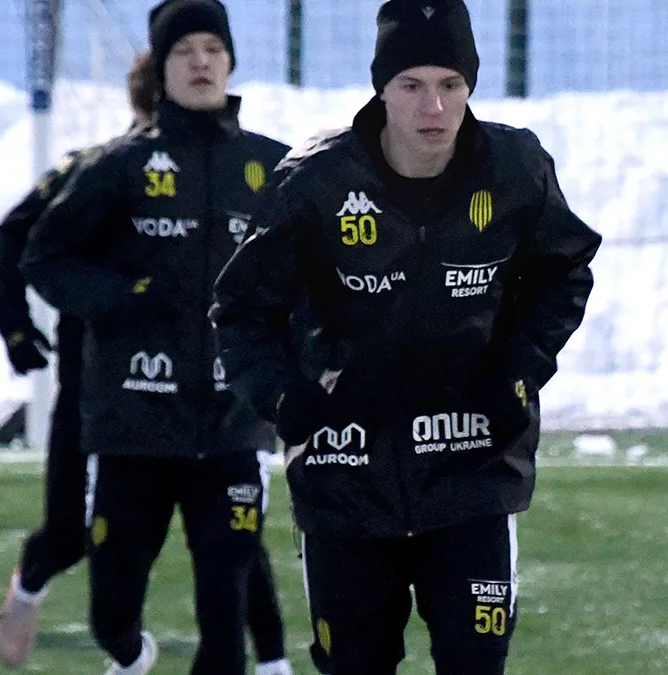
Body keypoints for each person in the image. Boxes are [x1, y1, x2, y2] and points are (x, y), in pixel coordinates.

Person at [210, 1, 603, 673]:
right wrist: (283, 395)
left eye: (451, 84)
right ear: (381, 88)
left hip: (473, 466)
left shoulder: (515, 168)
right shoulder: (316, 181)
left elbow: (563, 273)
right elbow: (242, 308)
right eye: (412, 84)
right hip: (345, 477)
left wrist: (518, 370)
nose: (434, 106)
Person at [0, 51, 291, 675]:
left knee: (233, 541)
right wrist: (18, 326)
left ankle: (271, 660)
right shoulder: (100, 168)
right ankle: (36, 587)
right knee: (71, 534)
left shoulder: (242, 169)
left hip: (210, 402)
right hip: (102, 390)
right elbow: (20, 237)